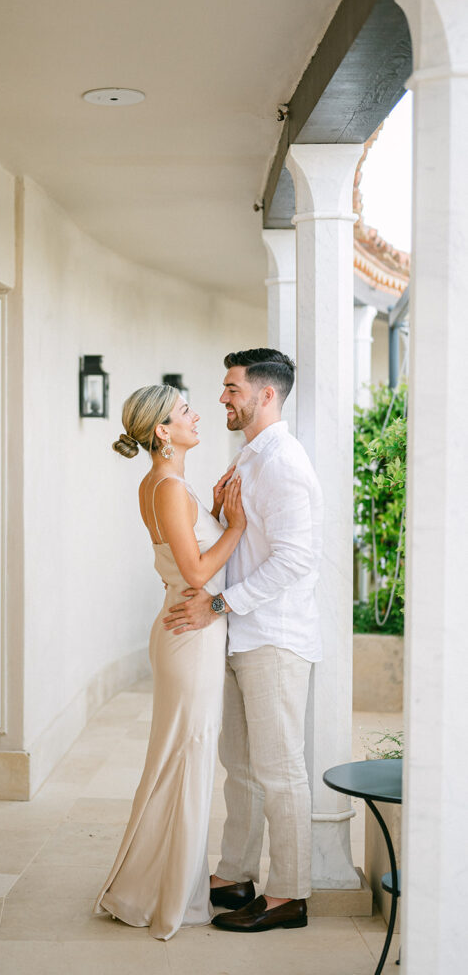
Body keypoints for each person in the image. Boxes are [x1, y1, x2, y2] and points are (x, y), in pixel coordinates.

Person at [163, 349, 323, 933]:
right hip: (237, 633)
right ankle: (234, 874)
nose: (224, 398)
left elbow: (296, 560)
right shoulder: (249, 457)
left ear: (266, 396)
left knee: (280, 770)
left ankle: (290, 895)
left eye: (232, 389)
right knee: (241, 766)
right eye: (226, 388)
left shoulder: (283, 462)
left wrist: (220, 603)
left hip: (274, 638)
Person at [93, 384, 246, 941]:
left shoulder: (165, 485)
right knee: (186, 758)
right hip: (190, 636)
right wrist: (234, 526)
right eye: (185, 411)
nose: (197, 415)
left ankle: (164, 883)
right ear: (162, 431)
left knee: (182, 758)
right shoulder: (166, 488)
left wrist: (211, 511)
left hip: (185, 629)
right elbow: (199, 573)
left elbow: (184, 559)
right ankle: (165, 893)